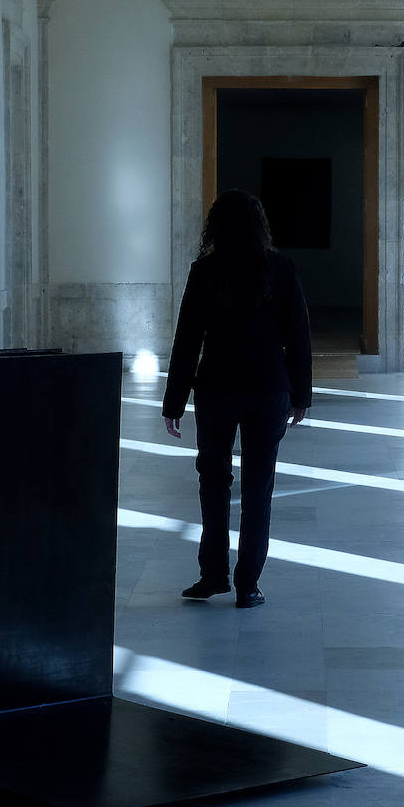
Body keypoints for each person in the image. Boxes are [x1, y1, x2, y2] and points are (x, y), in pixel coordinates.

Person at [161, 189, 312, 608]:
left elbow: (187, 341)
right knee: (258, 487)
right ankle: (248, 584)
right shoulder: (281, 269)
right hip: (268, 389)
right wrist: (301, 395)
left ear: (215, 227)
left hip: (217, 389)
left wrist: (173, 403)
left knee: (213, 483)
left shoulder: (205, 270)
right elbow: (298, 336)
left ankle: (212, 575)